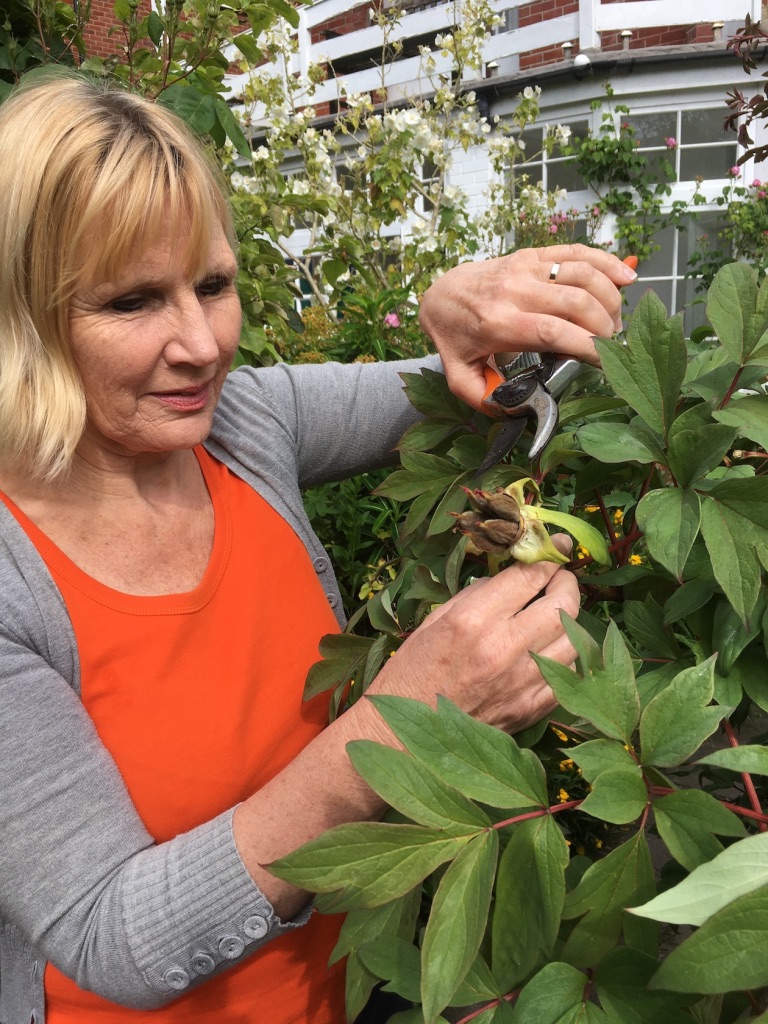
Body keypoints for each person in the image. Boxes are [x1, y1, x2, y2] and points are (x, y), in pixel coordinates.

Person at [0, 74, 637, 1024]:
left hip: (351, 986)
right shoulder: (14, 579)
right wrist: (407, 719)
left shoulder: (248, 426)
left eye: (213, 284)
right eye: (134, 301)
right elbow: (110, 934)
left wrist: (481, 307)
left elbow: (494, 387)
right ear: (22, 319)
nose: (204, 343)